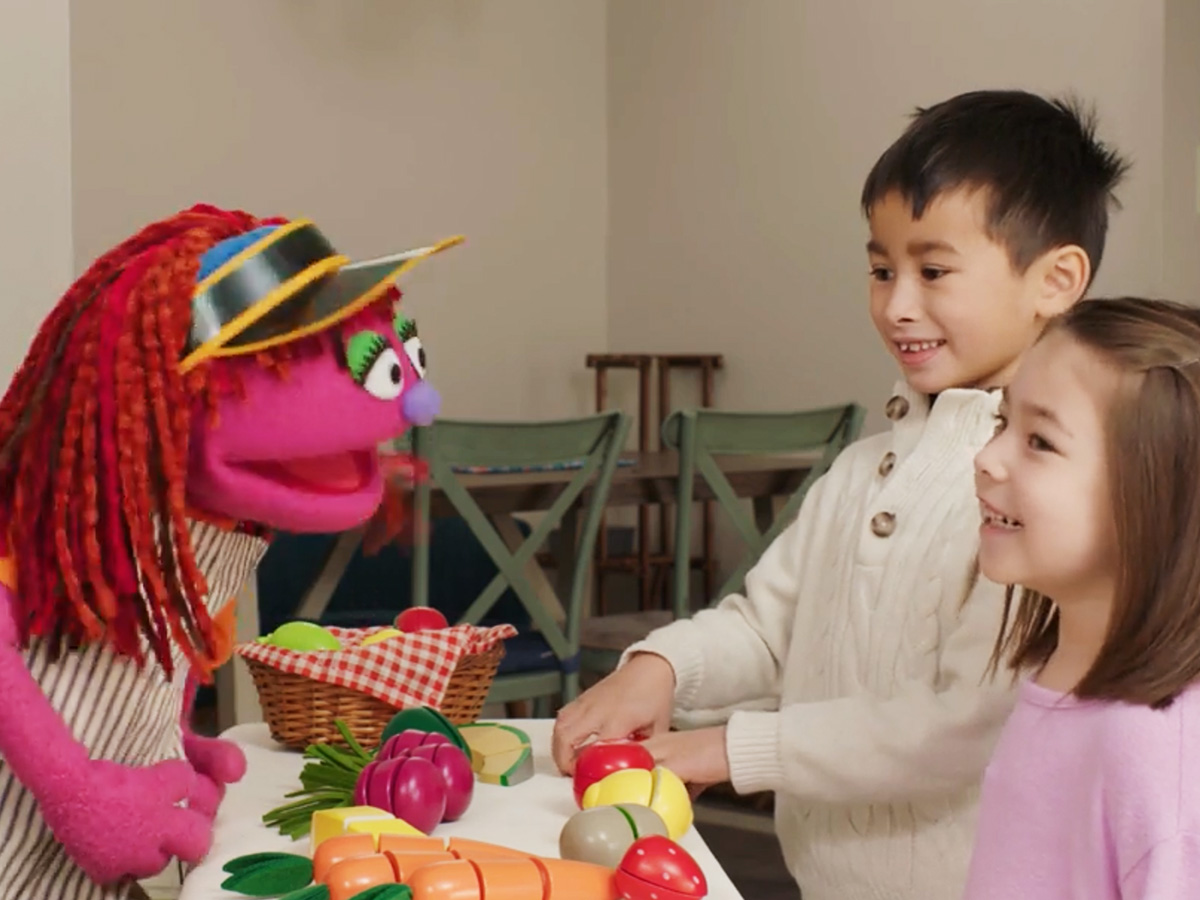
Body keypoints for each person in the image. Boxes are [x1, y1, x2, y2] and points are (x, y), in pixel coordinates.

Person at [552, 89, 1131, 900]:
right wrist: (662, 667)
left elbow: (963, 724)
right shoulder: (863, 469)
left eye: (933, 271)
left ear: (1056, 279)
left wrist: (726, 750)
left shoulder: (1031, 497)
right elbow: (768, 626)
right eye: (880, 269)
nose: (897, 304)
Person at [964, 297, 1200, 899]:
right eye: (1002, 424)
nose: (986, 458)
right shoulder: (1058, 674)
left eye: (1040, 442)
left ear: (1157, 498)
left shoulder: (1154, 753)